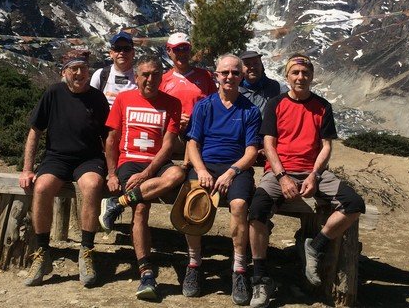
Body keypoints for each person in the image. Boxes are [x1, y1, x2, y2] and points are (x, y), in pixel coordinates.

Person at [247, 54, 365, 308]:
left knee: (354, 204)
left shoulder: (322, 106)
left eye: (305, 73)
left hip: (313, 172)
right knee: (256, 211)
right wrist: (282, 176)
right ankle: (259, 277)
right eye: (295, 73)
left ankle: (316, 245)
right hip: (279, 172)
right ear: (287, 77)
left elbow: (326, 146)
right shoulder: (275, 104)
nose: (301, 77)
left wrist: (314, 174)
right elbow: (269, 143)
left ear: (311, 76)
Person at [19, 49, 110, 288]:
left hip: (89, 158)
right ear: (64, 72)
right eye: (74, 69)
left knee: (92, 185)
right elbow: (34, 131)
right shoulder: (53, 93)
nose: (79, 73)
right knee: (41, 188)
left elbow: (108, 138)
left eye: (83, 68)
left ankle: (86, 251)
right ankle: (42, 253)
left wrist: (111, 170)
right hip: (56, 157)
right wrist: (27, 168)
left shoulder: (98, 98)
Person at [98, 54, 186, 300]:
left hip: (156, 165)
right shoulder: (123, 100)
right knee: (141, 208)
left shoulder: (172, 103)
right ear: (136, 77)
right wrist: (112, 173)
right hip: (129, 162)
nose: (150, 79)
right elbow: (112, 140)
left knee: (178, 172)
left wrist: (147, 173)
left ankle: (117, 204)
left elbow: (168, 145)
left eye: (155, 74)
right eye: (145, 74)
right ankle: (146, 273)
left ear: (161, 77)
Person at [181, 54, 261, 305]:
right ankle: (194, 264)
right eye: (224, 72)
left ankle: (239, 269)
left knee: (238, 206)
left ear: (242, 76)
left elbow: (251, 152)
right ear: (216, 75)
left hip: (236, 169)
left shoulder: (250, 110)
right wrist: (202, 170)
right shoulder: (204, 106)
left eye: (235, 73)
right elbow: (193, 143)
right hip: (206, 166)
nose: (230, 77)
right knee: (195, 201)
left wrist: (231, 172)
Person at [159, 32, 216, 154]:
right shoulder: (163, 79)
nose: (181, 53)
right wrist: (176, 120)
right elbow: (158, 110)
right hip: (173, 135)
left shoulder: (205, 76)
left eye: (185, 49)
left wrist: (194, 120)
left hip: (201, 134)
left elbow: (215, 105)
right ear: (169, 51)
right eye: (176, 50)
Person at [90, 31, 137, 107]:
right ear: (111, 53)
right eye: (118, 49)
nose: (122, 52)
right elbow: (90, 102)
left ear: (133, 53)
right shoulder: (100, 75)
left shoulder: (140, 77)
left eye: (127, 49)